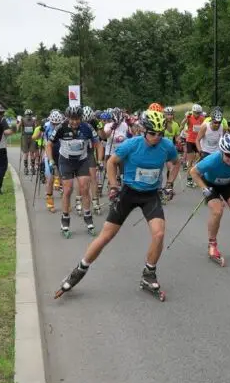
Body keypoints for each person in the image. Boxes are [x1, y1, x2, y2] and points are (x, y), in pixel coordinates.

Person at [55, 110, 180, 300]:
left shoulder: (166, 146)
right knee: (106, 236)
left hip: (150, 196)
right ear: (143, 130)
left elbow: (176, 163)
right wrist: (114, 186)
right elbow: (111, 162)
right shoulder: (132, 144)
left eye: (160, 133)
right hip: (129, 193)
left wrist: (169, 184)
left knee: (159, 233)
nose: (157, 137)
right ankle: (79, 270)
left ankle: (149, 273)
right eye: (153, 133)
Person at [190, 134, 230, 265]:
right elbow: (193, 172)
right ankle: (212, 245)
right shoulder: (212, 160)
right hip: (211, 184)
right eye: (228, 155)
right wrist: (204, 189)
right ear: (222, 152)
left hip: (228, 183)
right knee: (217, 211)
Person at [46, 106, 102, 237]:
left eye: (77, 119)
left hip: (82, 161)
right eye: (72, 119)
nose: (75, 122)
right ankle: (65, 220)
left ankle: (88, 216)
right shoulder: (61, 127)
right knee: (68, 189)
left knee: (84, 187)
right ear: (68, 118)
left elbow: (98, 143)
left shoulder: (87, 127)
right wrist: (50, 160)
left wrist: (100, 161)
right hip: (65, 161)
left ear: (81, 118)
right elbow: (48, 144)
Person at [182, 104, 205, 187]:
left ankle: (196, 176)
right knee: (190, 161)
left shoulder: (202, 118)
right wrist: (186, 117)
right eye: (195, 113)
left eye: (199, 113)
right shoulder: (189, 117)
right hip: (190, 141)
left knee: (199, 160)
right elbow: (182, 124)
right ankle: (189, 179)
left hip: (198, 141)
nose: (197, 114)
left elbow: (205, 126)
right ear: (193, 112)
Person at [19, 109, 39, 176]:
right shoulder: (23, 120)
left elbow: (36, 128)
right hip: (25, 137)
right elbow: (19, 127)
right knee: (26, 153)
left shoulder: (33, 120)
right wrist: (20, 122)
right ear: (25, 115)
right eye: (28, 115)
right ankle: (26, 168)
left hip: (32, 137)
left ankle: (32, 167)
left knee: (32, 153)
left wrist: (36, 122)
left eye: (30, 115)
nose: (29, 116)